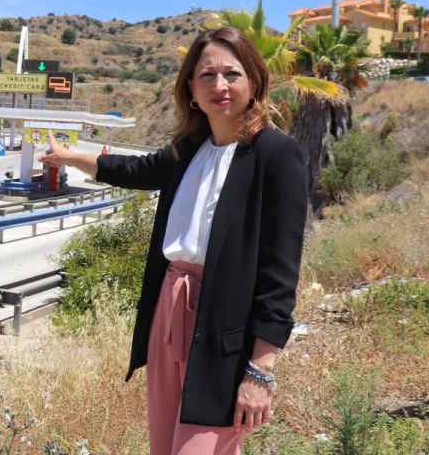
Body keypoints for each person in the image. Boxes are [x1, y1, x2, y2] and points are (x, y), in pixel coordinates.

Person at [40, 27, 308, 455]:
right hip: (169, 312)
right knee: (166, 447)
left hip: (224, 327)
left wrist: (261, 370)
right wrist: (70, 158)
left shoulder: (276, 155)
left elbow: (280, 274)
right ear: (191, 88)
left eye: (232, 74)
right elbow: (137, 170)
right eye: (207, 76)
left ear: (254, 81)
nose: (219, 86)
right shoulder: (191, 148)